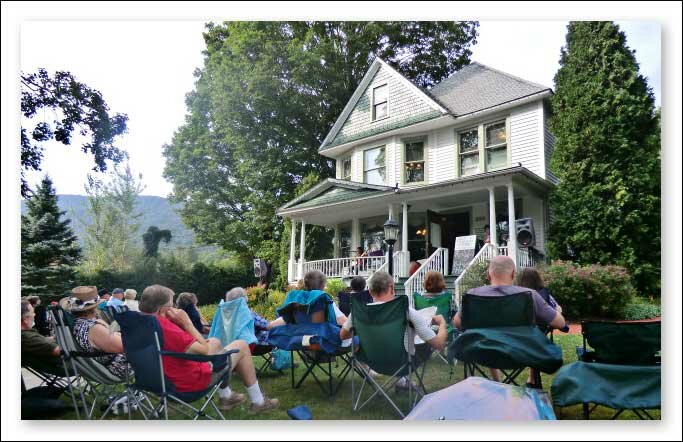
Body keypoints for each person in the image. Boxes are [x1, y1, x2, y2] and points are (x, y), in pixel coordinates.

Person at [139, 284, 279, 413]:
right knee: (241, 345)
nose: (175, 309)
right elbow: (204, 350)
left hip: (157, 381)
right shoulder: (166, 328)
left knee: (215, 341)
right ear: (162, 310)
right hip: (187, 383)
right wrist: (187, 324)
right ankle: (258, 402)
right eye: (172, 305)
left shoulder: (138, 325)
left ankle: (227, 396)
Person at [451, 256, 566, 384]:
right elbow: (560, 323)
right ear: (513, 274)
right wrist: (558, 311)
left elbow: (457, 323)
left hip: (482, 352)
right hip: (521, 353)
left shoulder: (472, 295)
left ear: (488, 275)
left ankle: (496, 383)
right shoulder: (529, 295)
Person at [340, 271, 448, 391]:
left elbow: (343, 336)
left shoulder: (358, 313)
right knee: (421, 343)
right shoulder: (407, 312)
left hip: (371, 361)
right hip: (402, 363)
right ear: (392, 288)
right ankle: (403, 381)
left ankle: (402, 381)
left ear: (370, 291)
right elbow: (439, 344)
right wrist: (442, 324)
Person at [65, 286, 131, 379]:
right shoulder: (93, 328)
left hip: (103, 365)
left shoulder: (78, 324)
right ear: (94, 307)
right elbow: (126, 346)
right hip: (119, 366)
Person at [21, 299, 62, 372]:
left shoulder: (26, 335)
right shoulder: (27, 338)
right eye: (32, 312)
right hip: (64, 365)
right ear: (25, 319)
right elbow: (59, 350)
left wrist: (56, 337)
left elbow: (42, 342)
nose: (34, 315)